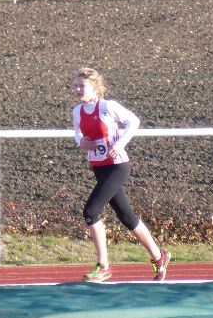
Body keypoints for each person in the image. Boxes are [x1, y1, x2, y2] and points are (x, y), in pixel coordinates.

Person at [71, 67, 171, 282]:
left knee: (90, 212)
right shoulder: (77, 111)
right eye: (75, 86)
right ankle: (158, 257)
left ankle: (103, 266)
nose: (77, 89)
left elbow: (134, 121)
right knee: (127, 216)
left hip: (117, 166)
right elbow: (77, 134)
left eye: (82, 86)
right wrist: (82, 142)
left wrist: (120, 144)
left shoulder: (108, 107)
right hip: (99, 167)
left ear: (94, 87)